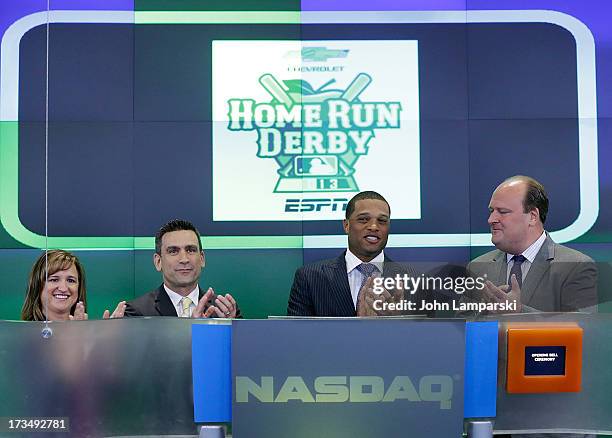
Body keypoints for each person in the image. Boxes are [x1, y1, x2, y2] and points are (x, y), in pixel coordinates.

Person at [467, 175, 597, 313]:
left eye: (503, 211)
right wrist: (482, 312)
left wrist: (519, 312)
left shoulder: (575, 267)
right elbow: (462, 328)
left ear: (532, 216)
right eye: (491, 211)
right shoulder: (477, 268)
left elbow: (583, 329)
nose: (491, 219)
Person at [287, 191, 425, 317]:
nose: (374, 227)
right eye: (364, 219)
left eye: (382, 221)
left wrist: (397, 322)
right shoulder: (310, 278)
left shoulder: (415, 282)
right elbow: (297, 337)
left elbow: (426, 339)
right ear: (346, 225)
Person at [124, 219, 240, 318]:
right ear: (158, 261)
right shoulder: (136, 313)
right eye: (173, 251)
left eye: (190, 250)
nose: (184, 259)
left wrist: (230, 328)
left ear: (202, 258)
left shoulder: (223, 311)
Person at [21, 249, 126, 321]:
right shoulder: (21, 336)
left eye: (71, 280)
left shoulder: (92, 337)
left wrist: (108, 342)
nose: (63, 288)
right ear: (37, 286)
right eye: (54, 280)